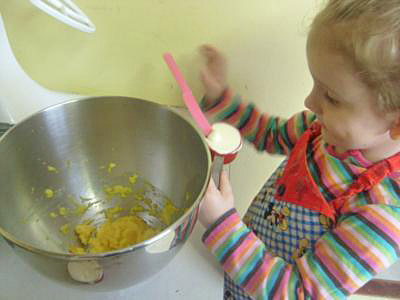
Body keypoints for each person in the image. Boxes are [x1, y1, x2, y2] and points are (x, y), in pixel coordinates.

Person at [197, 1, 400, 299]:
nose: (309, 101)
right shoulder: (320, 129)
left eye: (331, 96)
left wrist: (221, 224)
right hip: (236, 268)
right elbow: (269, 133)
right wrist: (221, 99)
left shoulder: (381, 215)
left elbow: (298, 293)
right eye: (315, 85)